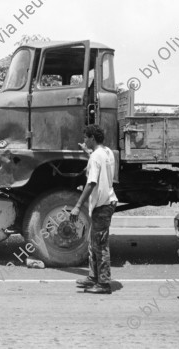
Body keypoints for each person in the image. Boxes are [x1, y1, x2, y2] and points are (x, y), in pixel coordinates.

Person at [70, 124, 118, 294]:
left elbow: (91, 182)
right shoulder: (107, 152)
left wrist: (77, 206)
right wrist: (87, 152)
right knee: (93, 243)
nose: (84, 140)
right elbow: (98, 160)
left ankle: (104, 284)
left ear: (91, 138)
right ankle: (93, 277)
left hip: (102, 205)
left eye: (85, 138)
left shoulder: (96, 157)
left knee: (101, 245)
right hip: (106, 202)